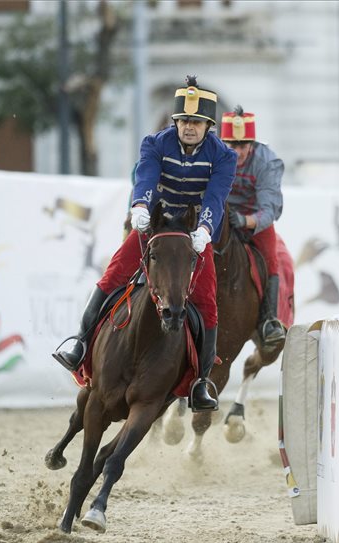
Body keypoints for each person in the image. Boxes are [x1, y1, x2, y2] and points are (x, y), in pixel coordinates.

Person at [53, 75, 237, 411]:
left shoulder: (224, 156)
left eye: (196, 122)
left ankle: (200, 382)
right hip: (156, 225)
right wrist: (140, 206)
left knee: (207, 302)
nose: (189, 128)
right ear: (175, 122)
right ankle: (80, 343)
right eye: (184, 121)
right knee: (111, 277)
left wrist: (206, 229)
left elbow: (216, 196)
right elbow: (147, 177)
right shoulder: (154, 143)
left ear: (208, 126)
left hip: (196, 232)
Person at [220, 106, 286, 346]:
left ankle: (269, 320)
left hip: (253, 220)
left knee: (271, 258)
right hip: (219, 216)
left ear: (252, 145)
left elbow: (270, 210)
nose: (237, 153)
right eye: (232, 146)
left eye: (243, 146)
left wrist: (245, 221)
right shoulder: (211, 155)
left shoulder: (268, 162)